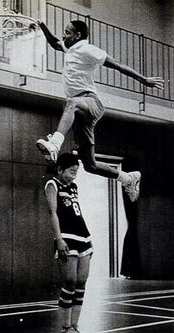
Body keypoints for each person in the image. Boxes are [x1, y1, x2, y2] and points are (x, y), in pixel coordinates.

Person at [36, 20, 164, 202]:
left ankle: (55, 143)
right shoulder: (70, 48)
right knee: (90, 166)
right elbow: (55, 43)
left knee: (71, 102)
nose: (64, 35)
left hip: (90, 102)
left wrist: (144, 80)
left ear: (77, 35)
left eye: (67, 32)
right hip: (80, 114)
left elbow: (117, 64)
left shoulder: (88, 49)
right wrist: (42, 25)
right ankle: (128, 178)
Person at [44, 153, 92, 333]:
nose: (74, 174)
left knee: (81, 281)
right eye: (71, 171)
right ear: (60, 169)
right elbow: (53, 213)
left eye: (76, 171)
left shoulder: (74, 187)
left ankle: (74, 325)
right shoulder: (52, 184)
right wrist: (59, 239)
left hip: (84, 237)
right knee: (70, 281)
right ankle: (65, 326)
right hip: (66, 237)